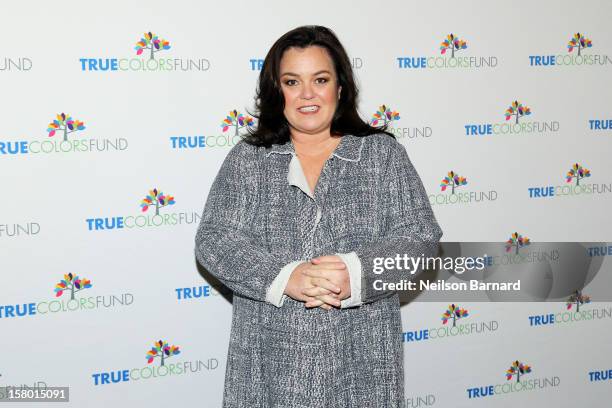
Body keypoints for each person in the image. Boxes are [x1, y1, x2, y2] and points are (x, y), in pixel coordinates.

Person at [195, 25, 442, 408]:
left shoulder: (383, 156)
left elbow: (419, 238)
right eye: (293, 81)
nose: (307, 94)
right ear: (277, 93)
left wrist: (356, 272)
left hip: (363, 360)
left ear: (340, 88)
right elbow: (214, 240)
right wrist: (284, 276)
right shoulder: (248, 160)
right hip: (267, 360)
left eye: (320, 79)